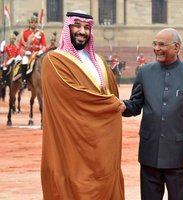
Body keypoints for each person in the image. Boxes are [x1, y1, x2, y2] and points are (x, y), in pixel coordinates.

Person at [41, 10, 125, 200]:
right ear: (67, 27)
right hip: (71, 143)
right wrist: (112, 104)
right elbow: (74, 96)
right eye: (77, 26)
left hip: (103, 146)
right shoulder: (54, 60)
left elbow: (112, 94)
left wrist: (115, 105)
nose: (82, 31)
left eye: (87, 28)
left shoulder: (100, 62)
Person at [122, 28, 183, 200]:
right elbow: (135, 105)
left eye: (162, 44)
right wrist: (121, 106)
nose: (156, 48)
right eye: (155, 44)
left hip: (179, 157)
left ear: (176, 47)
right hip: (149, 153)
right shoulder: (144, 72)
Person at [19, 12, 47, 88]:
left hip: (37, 53)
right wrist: (25, 51)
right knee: (24, 61)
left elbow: (44, 45)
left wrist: (41, 51)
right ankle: (24, 81)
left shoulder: (40, 33)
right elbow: (21, 46)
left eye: (35, 23)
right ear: (29, 24)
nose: (34, 24)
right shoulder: (25, 33)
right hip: (28, 54)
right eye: (32, 23)